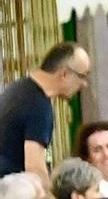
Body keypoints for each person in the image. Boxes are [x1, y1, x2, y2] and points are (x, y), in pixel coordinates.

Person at [0, 43, 90, 182]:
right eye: (82, 76)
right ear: (64, 74)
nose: (84, 84)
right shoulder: (38, 106)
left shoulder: (17, 89)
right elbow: (35, 169)